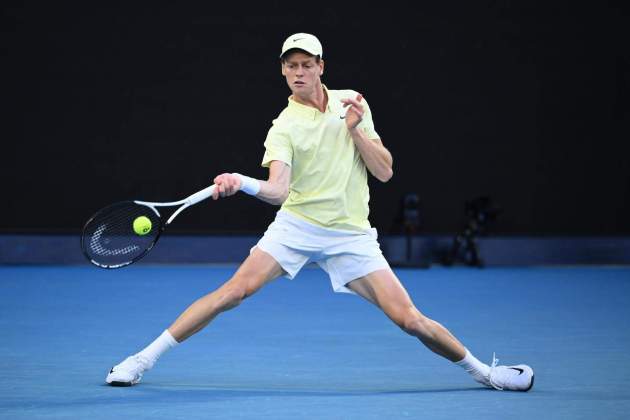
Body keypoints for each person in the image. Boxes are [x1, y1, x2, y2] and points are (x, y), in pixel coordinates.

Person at [106, 33, 534, 391]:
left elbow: (384, 172)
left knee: (410, 320)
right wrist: (244, 181)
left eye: (306, 64)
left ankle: (487, 373)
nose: (298, 72)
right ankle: (141, 360)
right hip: (297, 225)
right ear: (282, 72)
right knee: (233, 292)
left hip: (351, 234)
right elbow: (277, 191)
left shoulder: (351, 103)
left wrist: (355, 131)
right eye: (290, 66)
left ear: (320, 67)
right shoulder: (284, 126)